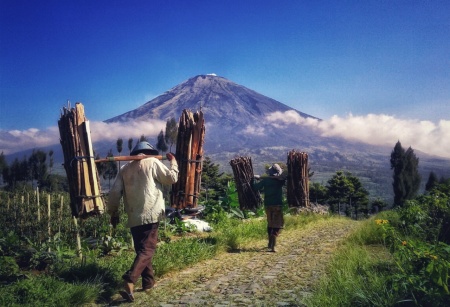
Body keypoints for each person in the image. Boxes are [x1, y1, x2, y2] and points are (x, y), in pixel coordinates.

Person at [107, 141, 179, 302]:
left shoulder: (125, 169)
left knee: (142, 249)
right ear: (150, 152)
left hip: (134, 216)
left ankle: (148, 282)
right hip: (151, 213)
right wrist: (173, 162)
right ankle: (129, 279)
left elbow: (114, 193)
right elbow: (171, 178)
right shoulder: (153, 162)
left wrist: (113, 212)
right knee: (147, 250)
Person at [252, 163, 286, 252]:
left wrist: (254, 180)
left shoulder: (266, 181)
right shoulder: (280, 181)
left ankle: (270, 243)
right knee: (277, 224)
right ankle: (273, 245)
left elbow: (255, 187)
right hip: (277, 205)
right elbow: (284, 178)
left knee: (270, 223)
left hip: (268, 205)